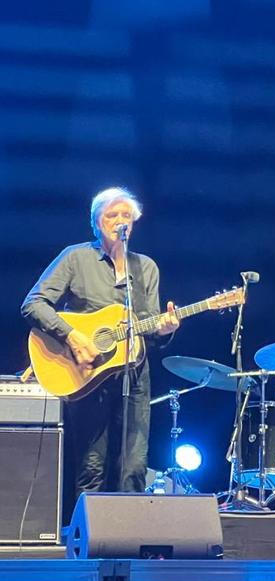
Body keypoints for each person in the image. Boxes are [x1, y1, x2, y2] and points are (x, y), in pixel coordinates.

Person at [22, 187, 180, 506]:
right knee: (91, 467)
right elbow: (33, 304)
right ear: (96, 223)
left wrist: (165, 330)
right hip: (86, 375)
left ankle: (131, 532)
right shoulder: (75, 257)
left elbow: (149, 327)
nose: (120, 221)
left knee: (134, 468)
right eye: (112, 215)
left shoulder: (145, 267)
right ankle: (89, 535)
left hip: (134, 376)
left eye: (126, 216)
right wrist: (72, 336)